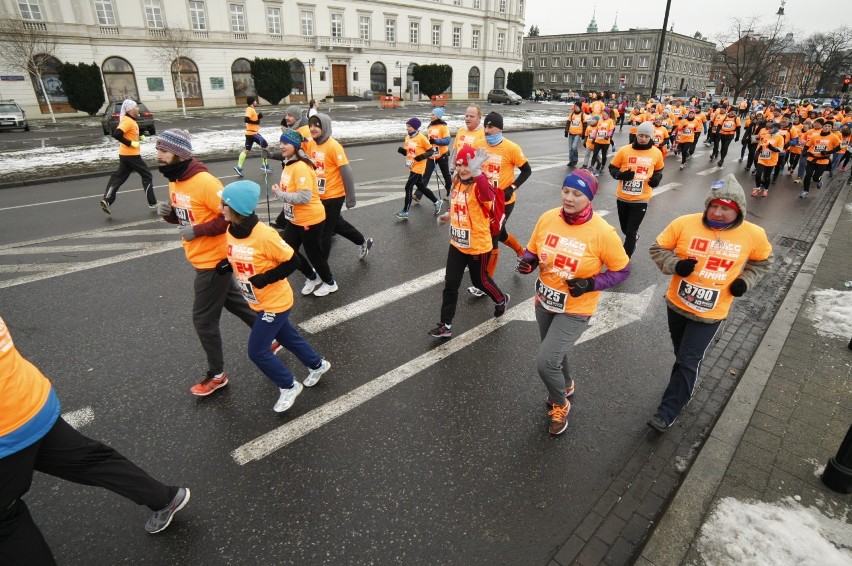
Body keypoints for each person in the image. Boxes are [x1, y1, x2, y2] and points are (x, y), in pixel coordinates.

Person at [0, 315, 190, 565]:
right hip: (29, 398)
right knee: (89, 460)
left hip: (6, 428)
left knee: (6, 523)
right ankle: (164, 497)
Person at [647, 174, 773, 431]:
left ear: (738, 210)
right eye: (714, 206)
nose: (718, 212)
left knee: (688, 360)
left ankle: (668, 411)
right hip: (677, 304)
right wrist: (675, 265)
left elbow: (762, 263)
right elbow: (657, 248)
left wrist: (745, 282)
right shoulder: (684, 224)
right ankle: (682, 383)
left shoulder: (753, 234)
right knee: (681, 354)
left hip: (711, 313)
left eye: (726, 209)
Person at [517, 171, 631, 435]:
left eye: (577, 194)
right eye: (566, 191)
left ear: (589, 198)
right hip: (545, 299)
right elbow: (533, 249)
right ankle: (566, 384)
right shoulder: (548, 218)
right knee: (554, 351)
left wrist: (590, 283)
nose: (569, 198)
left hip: (577, 307)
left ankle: (560, 403)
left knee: (546, 361)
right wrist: (528, 262)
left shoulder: (602, 232)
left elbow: (622, 270)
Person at [155, 129, 263, 396]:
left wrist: (198, 232)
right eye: (157, 150)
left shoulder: (204, 182)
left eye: (163, 151)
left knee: (203, 320)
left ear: (179, 154)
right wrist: (169, 214)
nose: (158, 156)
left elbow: (231, 216)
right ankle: (272, 336)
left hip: (214, 262)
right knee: (236, 303)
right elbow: (186, 217)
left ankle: (217, 374)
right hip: (200, 257)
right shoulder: (175, 179)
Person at [217, 180, 331, 412]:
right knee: (288, 337)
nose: (220, 208)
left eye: (223, 204)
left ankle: (288, 386)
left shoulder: (265, 235)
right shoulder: (231, 230)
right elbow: (245, 258)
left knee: (257, 351)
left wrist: (266, 278)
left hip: (275, 302)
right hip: (257, 301)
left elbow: (294, 261)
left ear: (236, 209)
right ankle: (317, 364)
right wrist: (227, 265)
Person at [430, 147, 509, 339]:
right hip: (457, 244)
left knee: (480, 281)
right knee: (451, 284)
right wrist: (447, 216)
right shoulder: (456, 182)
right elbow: (457, 206)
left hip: (478, 245)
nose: (463, 169)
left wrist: (477, 173)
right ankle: (445, 325)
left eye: (467, 164)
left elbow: (488, 196)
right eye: (459, 164)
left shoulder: (481, 184)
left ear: (476, 165)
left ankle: (500, 299)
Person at [468, 111, 531, 296]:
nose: (487, 130)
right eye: (485, 126)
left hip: (504, 202)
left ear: (499, 128)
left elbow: (527, 171)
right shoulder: (478, 144)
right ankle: (521, 251)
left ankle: (485, 281)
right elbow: (474, 169)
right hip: (484, 200)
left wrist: (512, 186)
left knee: (492, 236)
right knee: (501, 233)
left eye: (490, 127)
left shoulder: (511, 148)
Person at [271, 129, 338, 297]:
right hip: (294, 219)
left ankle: (330, 283)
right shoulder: (289, 164)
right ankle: (312, 277)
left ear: (294, 146)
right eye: (281, 143)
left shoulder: (301, 167)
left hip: (310, 218)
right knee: (287, 251)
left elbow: (304, 197)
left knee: (314, 255)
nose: (281, 146)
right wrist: (282, 193)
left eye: (285, 143)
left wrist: (280, 194)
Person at [305, 113, 373, 261]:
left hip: (334, 196)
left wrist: (350, 198)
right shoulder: (311, 143)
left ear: (325, 127)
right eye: (310, 125)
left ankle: (321, 269)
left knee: (325, 232)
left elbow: (347, 172)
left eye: (317, 125)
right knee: (337, 225)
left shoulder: (334, 146)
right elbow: (298, 153)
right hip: (319, 195)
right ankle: (363, 241)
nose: (312, 128)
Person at [608, 121, 665, 257]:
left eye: (646, 136)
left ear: (651, 137)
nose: (643, 139)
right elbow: (612, 167)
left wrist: (656, 179)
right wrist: (620, 175)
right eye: (641, 136)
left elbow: (659, 170)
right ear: (636, 135)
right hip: (623, 196)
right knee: (625, 228)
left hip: (641, 199)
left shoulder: (656, 152)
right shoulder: (625, 150)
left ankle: (625, 258)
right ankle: (633, 238)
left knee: (631, 230)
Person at [100, 99, 157, 214]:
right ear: (130, 109)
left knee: (119, 177)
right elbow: (117, 134)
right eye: (136, 107)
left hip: (125, 155)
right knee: (147, 175)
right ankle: (152, 202)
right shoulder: (128, 121)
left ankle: (107, 200)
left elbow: (127, 134)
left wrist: (138, 137)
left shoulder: (130, 120)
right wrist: (130, 143)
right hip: (132, 155)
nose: (138, 109)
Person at [395, 117, 439, 219]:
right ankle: (437, 201)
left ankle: (405, 211)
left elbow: (431, 151)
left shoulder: (421, 138)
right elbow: (410, 151)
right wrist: (403, 151)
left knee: (408, 187)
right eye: (407, 126)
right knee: (421, 187)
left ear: (415, 127)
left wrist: (422, 156)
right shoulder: (407, 137)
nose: (407, 128)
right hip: (411, 165)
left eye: (409, 126)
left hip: (419, 166)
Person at [415, 108, 453, 203]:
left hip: (442, 154)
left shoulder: (443, 127)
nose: (431, 116)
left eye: (433, 115)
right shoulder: (430, 127)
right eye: (431, 114)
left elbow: (447, 141)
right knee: (426, 175)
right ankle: (418, 195)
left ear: (438, 116)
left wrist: (436, 141)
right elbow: (428, 141)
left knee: (446, 175)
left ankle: (449, 193)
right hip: (432, 155)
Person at [800, 119, 841, 199]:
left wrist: (828, 152)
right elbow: (807, 145)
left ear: (831, 128)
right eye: (825, 126)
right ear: (823, 127)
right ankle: (805, 191)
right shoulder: (815, 136)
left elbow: (839, 147)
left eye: (829, 126)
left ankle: (819, 180)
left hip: (823, 160)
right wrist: (805, 152)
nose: (827, 127)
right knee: (808, 175)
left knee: (815, 177)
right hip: (812, 158)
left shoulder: (834, 137)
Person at [234, 96, 271, 177]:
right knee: (265, 146)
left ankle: (239, 167)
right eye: (255, 101)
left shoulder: (252, 109)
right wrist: (256, 122)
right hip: (253, 134)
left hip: (249, 133)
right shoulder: (250, 109)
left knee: (246, 150)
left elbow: (251, 119)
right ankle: (265, 165)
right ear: (252, 102)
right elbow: (246, 119)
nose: (256, 102)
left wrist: (258, 117)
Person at [751, 122, 784, 198]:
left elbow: (779, 149)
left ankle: (766, 189)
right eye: (769, 128)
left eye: (771, 128)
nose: (769, 129)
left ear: (776, 129)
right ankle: (757, 188)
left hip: (771, 159)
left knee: (767, 176)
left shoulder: (780, 137)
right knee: (758, 174)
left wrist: (771, 147)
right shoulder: (766, 136)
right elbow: (761, 145)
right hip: (762, 158)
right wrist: (757, 153)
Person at [564, 102, 586, 167]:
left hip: (578, 134)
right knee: (570, 148)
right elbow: (568, 123)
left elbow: (585, 125)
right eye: (574, 106)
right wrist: (566, 131)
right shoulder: (571, 114)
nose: (575, 107)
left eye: (576, 106)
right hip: (571, 133)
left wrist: (584, 134)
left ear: (579, 107)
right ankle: (571, 161)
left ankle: (575, 160)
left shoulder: (582, 115)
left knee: (574, 147)